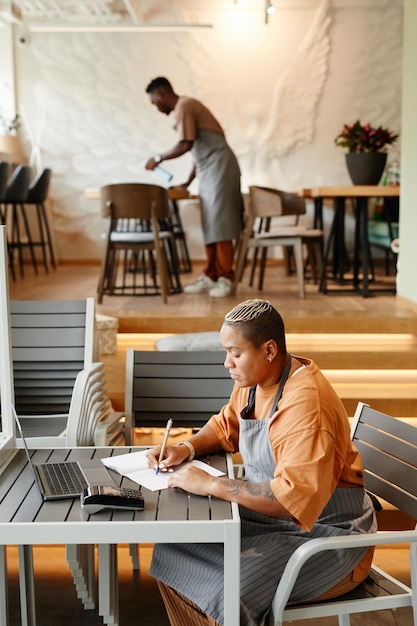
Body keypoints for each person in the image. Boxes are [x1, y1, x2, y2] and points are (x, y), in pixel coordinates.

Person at [146, 299, 377, 626]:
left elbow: (290, 498)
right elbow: (227, 425)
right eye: (226, 352)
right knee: (171, 549)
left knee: (230, 591)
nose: (227, 363)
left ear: (269, 349)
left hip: (329, 537)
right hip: (276, 522)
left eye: (235, 353)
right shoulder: (257, 381)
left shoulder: (306, 405)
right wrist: (185, 448)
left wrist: (212, 484)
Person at [145, 77, 243, 298]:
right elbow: (196, 151)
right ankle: (211, 275)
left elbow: (185, 144)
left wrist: (158, 158)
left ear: (161, 94)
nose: (156, 107)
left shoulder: (185, 106)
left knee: (221, 222)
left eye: (154, 102)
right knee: (210, 222)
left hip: (219, 165)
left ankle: (226, 277)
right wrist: (188, 182)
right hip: (208, 168)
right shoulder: (184, 107)